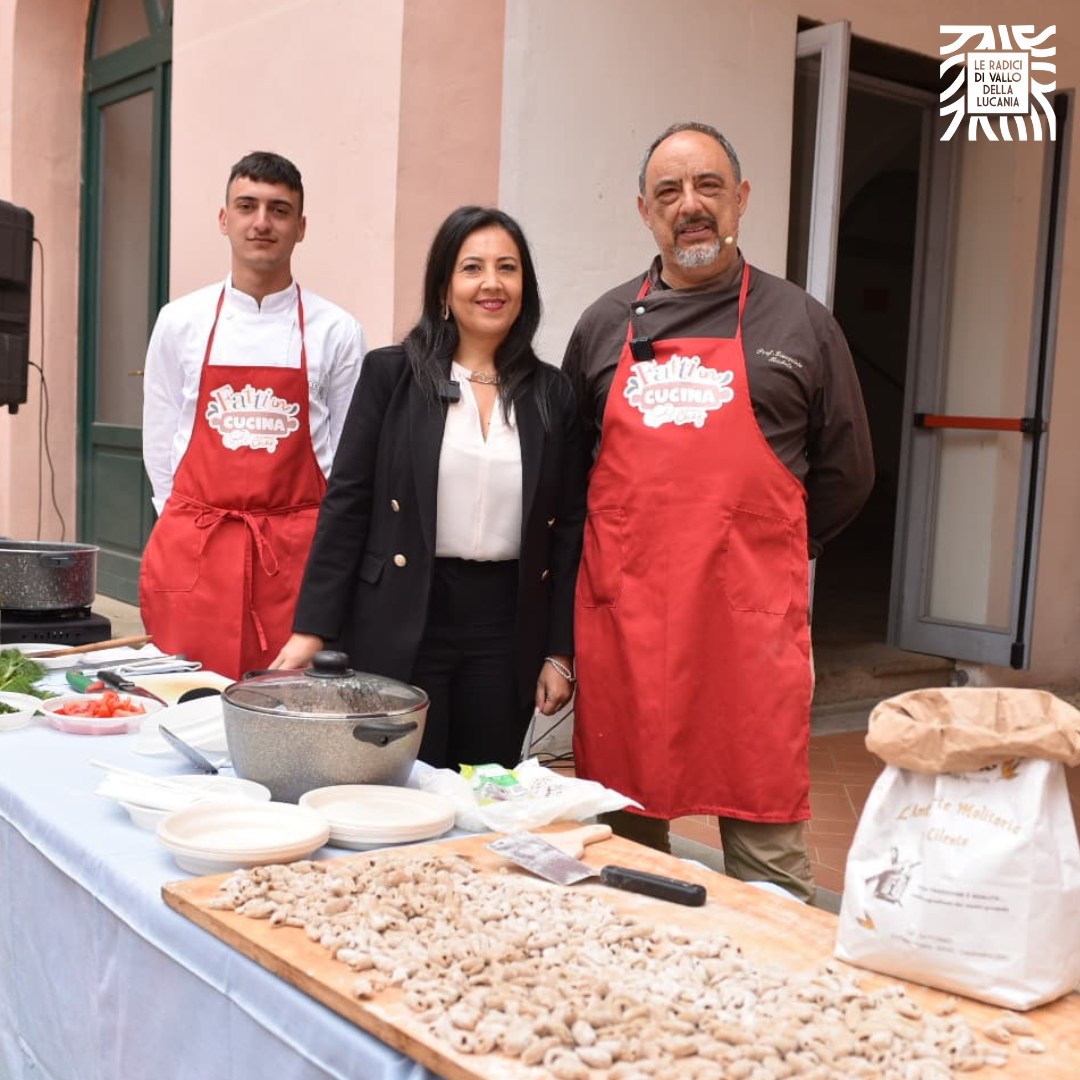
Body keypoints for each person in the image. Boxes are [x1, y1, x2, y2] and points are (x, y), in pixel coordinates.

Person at [563, 122, 874, 903]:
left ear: (741, 198)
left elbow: (848, 474)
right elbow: (571, 476)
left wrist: (763, 545)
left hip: (747, 629)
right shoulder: (602, 325)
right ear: (645, 211)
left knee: (768, 862)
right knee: (626, 852)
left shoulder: (801, 323)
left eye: (708, 186)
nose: (690, 205)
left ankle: (775, 974)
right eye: (669, 191)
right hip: (628, 628)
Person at [272, 206, 586, 770]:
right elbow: (347, 506)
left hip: (506, 625)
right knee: (399, 783)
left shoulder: (552, 394)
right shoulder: (391, 376)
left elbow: (567, 532)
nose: (491, 283)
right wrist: (312, 629)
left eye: (507, 268)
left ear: (525, 287)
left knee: (485, 786)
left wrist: (560, 651)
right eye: (472, 268)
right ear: (444, 288)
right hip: (401, 613)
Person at [140, 151, 366, 680]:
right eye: (247, 206)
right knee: (186, 699)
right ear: (225, 219)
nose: (262, 222)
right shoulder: (180, 321)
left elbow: (350, 460)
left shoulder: (337, 331)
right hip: (197, 551)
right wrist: (181, 528)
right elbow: (160, 436)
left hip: (296, 559)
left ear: (300, 227)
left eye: (279, 210)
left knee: (286, 705)